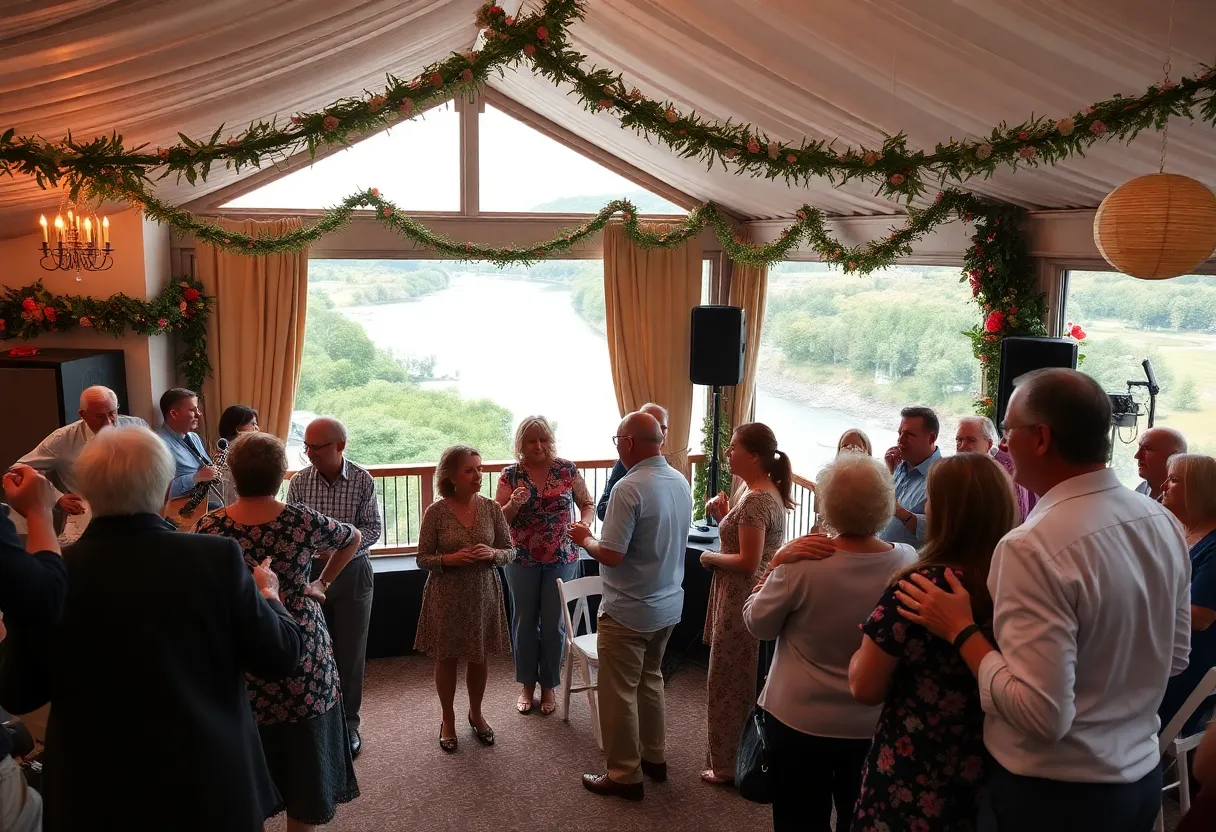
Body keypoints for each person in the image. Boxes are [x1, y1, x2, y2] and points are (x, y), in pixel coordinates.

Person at [897, 368, 1190, 832]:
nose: (1003, 447)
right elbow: (1175, 656)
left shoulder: (1030, 546)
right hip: (1139, 781)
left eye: (1009, 431)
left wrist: (962, 631)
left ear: (1041, 438)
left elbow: (1041, 714)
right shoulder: (1162, 522)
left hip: (1055, 794)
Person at [38, 426, 306, 832]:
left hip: (93, 791)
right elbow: (281, 655)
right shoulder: (215, 558)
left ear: (87, 495)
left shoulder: (54, 573)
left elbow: (19, 689)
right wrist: (270, 595)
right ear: (165, 489)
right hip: (207, 780)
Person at [195, 432, 362, 832]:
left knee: (245, 760)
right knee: (304, 758)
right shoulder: (300, 519)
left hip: (241, 647)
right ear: (281, 474)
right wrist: (320, 583)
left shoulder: (210, 526)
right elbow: (352, 536)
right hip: (301, 645)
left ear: (233, 475)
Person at [744, 452, 916, 831]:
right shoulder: (905, 562)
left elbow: (759, 625)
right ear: (885, 505)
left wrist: (773, 568)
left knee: (799, 821)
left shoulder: (800, 564)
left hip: (797, 719)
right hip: (871, 722)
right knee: (860, 819)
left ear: (827, 504)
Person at [849, 453, 1018, 832]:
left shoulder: (920, 587)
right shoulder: (1016, 585)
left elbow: (864, 687)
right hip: (992, 766)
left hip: (913, 766)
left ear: (943, 510)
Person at [570, 411, 693, 800]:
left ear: (627, 443)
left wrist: (585, 538)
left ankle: (624, 773)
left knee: (618, 691)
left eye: (616, 441)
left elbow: (612, 554)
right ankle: (654, 757)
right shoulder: (679, 481)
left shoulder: (628, 488)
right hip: (668, 603)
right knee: (651, 679)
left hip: (629, 609)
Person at [698, 422, 791, 784]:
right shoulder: (760, 492)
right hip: (747, 596)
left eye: (734, 447)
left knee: (729, 681)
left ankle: (727, 766)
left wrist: (709, 558)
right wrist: (725, 521)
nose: (728, 453)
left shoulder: (755, 500)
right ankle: (736, 760)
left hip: (742, 599)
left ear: (754, 455)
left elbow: (749, 562)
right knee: (738, 679)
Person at [286, 417, 381, 759]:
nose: (309, 453)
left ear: (340, 446)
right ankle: (315, 719)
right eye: (306, 446)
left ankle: (349, 723)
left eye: (317, 447)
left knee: (351, 652)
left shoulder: (362, 479)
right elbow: (292, 526)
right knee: (310, 650)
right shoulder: (299, 481)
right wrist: (315, 550)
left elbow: (372, 528)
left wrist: (342, 549)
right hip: (309, 575)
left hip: (353, 573)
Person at [414, 445, 514, 753]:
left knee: (479, 656)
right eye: (470, 470)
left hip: (483, 592)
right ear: (451, 476)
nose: (478, 475)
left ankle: (477, 713)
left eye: (480, 469)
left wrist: (493, 553)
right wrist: (450, 559)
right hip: (446, 594)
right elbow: (421, 558)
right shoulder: (436, 511)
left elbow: (510, 551)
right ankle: (448, 718)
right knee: (447, 658)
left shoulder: (492, 508)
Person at [495, 416, 594, 716]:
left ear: (550, 440)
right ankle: (527, 685)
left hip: (562, 557)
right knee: (525, 622)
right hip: (521, 557)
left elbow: (587, 504)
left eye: (543, 439)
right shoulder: (510, 475)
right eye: (531, 440)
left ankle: (549, 685)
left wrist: (584, 525)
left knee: (554, 624)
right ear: (521, 444)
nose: (538, 445)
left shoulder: (567, 470)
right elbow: (499, 521)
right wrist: (513, 504)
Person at [16, 385, 146, 533]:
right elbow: (18, 470)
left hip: (133, 511)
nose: (108, 423)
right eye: (99, 416)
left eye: (112, 413)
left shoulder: (137, 427)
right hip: (87, 516)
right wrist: (55, 497)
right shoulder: (62, 440)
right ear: (83, 415)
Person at [1158, 453, 1216, 735]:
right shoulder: (1178, 531)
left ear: (1199, 489)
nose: (1162, 486)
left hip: (1186, 664)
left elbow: (1200, 616)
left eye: (1173, 480)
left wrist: (1134, 601)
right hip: (1160, 649)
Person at [880, 406, 942, 546]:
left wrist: (899, 512)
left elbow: (941, 530)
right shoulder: (899, 466)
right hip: (881, 558)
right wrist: (889, 473)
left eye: (909, 435)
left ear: (931, 438)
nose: (900, 440)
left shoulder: (943, 476)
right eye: (900, 433)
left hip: (912, 564)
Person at [956, 415, 1037, 522]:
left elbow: (1016, 519)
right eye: (959, 440)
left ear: (989, 444)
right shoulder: (968, 467)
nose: (962, 446)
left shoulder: (1005, 472)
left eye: (971, 440)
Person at [596, 402, 669, 521]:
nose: (658, 433)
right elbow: (602, 510)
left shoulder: (671, 472)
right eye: (652, 424)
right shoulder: (623, 466)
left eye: (662, 428)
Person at [155, 387, 220, 508]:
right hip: (184, 511)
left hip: (206, 500)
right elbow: (160, 493)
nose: (198, 414)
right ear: (174, 414)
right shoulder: (158, 446)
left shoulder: (194, 437)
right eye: (192, 410)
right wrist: (196, 477)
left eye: (197, 409)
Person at [214, 404, 260, 506]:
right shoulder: (226, 452)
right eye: (253, 424)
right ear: (238, 428)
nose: (257, 428)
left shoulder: (249, 450)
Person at [1133, 426, 1188, 500]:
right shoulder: (1141, 490)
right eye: (1139, 448)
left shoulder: (1185, 499)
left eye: (1148, 449)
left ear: (1175, 456)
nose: (1137, 456)